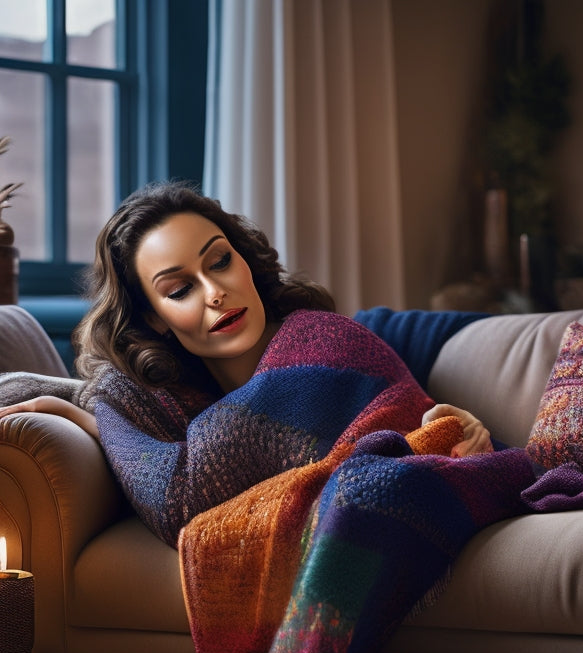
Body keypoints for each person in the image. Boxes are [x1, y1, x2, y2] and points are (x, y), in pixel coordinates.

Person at [0, 181, 493, 547]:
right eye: (180, 289)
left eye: (219, 262)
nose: (216, 292)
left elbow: (182, 498)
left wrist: (94, 419)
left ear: (244, 261)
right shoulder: (188, 400)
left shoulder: (319, 343)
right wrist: (90, 411)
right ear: (156, 319)